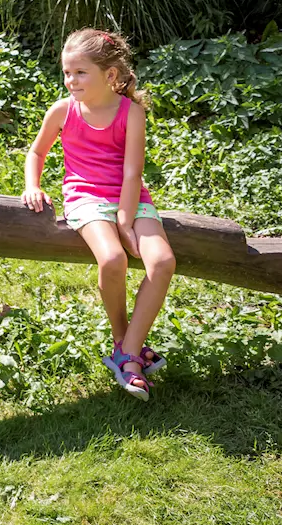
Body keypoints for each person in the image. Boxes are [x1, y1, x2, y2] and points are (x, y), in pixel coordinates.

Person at [21, 29, 177, 401]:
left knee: (163, 261)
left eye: (80, 72)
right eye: (67, 72)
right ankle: (126, 348)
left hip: (132, 197)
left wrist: (125, 220)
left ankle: (127, 350)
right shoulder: (63, 110)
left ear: (109, 75)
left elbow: (132, 174)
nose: (71, 81)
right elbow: (36, 152)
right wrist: (32, 184)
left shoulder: (131, 112)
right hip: (86, 197)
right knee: (111, 259)